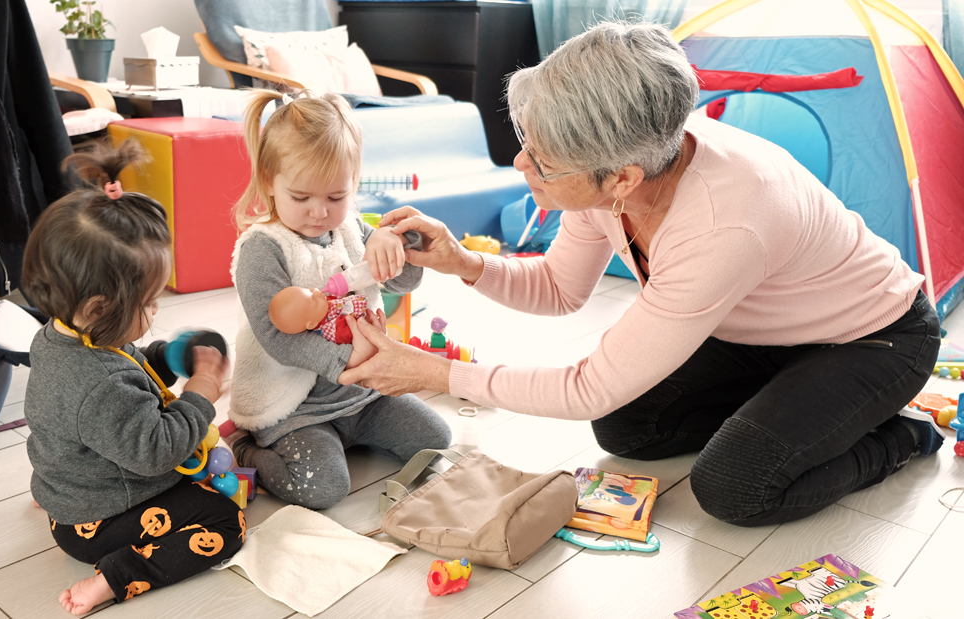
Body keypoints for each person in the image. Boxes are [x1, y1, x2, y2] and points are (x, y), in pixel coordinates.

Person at [337, 21, 944, 527]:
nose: (521, 162)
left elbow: (585, 386)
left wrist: (438, 373)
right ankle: (800, 412)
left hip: (872, 339)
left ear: (622, 177)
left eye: (542, 161)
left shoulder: (723, 221)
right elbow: (559, 289)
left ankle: (898, 436)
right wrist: (461, 262)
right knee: (628, 426)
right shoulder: (620, 170)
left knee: (734, 487)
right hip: (762, 336)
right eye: (527, 140)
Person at [21, 140, 241, 615]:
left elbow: (126, 368)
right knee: (226, 521)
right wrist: (200, 392)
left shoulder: (64, 333)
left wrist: (163, 357)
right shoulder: (98, 386)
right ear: (101, 309)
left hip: (72, 490)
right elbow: (157, 450)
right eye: (149, 303)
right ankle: (116, 577)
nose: (157, 310)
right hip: (98, 521)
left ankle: (60, 498)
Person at [224, 89, 451, 510]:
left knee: (436, 442)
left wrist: (400, 242)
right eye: (301, 197)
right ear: (269, 182)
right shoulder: (263, 247)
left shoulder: (351, 228)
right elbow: (277, 337)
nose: (319, 212)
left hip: (363, 394)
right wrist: (346, 361)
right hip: (295, 407)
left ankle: (351, 434)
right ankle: (246, 448)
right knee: (323, 489)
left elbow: (402, 283)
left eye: (335, 197)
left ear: (354, 185)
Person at [268, 285, 368, 344]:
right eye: (314, 302)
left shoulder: (321, 309)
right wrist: (369, 322)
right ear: (312, 324)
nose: (317, 293)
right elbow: (360, 333)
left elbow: (338, 301)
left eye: (309, 290)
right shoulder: (334, 330)